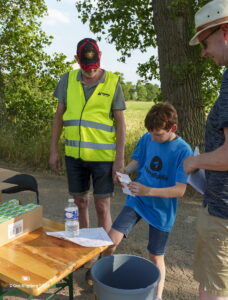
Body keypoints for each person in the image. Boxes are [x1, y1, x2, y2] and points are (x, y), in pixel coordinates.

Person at [104, 102, 192, 300]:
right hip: (137, 201)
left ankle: (157, 297)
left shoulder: (183, 151)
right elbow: (139, 160)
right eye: (151, 133)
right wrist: (126, 170)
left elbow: (180, 191)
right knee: (110, 241)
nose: (153, 138)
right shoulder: (147, 137)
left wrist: (148, 190)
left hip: (162, 210)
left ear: (173, 128)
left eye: (158, 134)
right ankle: (103, 280)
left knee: (155, 256)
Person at [49, 37, 126, 233]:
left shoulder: (113, 82)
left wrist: (120, 159)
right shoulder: (67, 80)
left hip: (103, 159)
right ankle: (86, 250)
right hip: (74, 157)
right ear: (76, 59)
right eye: (86, 68)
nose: (91, 72)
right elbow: (59, 116)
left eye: (94, 67)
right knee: (79, 202)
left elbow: (121, 123)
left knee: (102, 207)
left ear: (100, 56)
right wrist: (53, 151)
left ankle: (105, 256)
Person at [184, 0, 228, 299]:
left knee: (213, 291)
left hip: (223, 213)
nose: (203, 52)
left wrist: (193, 162)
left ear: (224, 31)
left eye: (205, 42)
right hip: (219, 206)